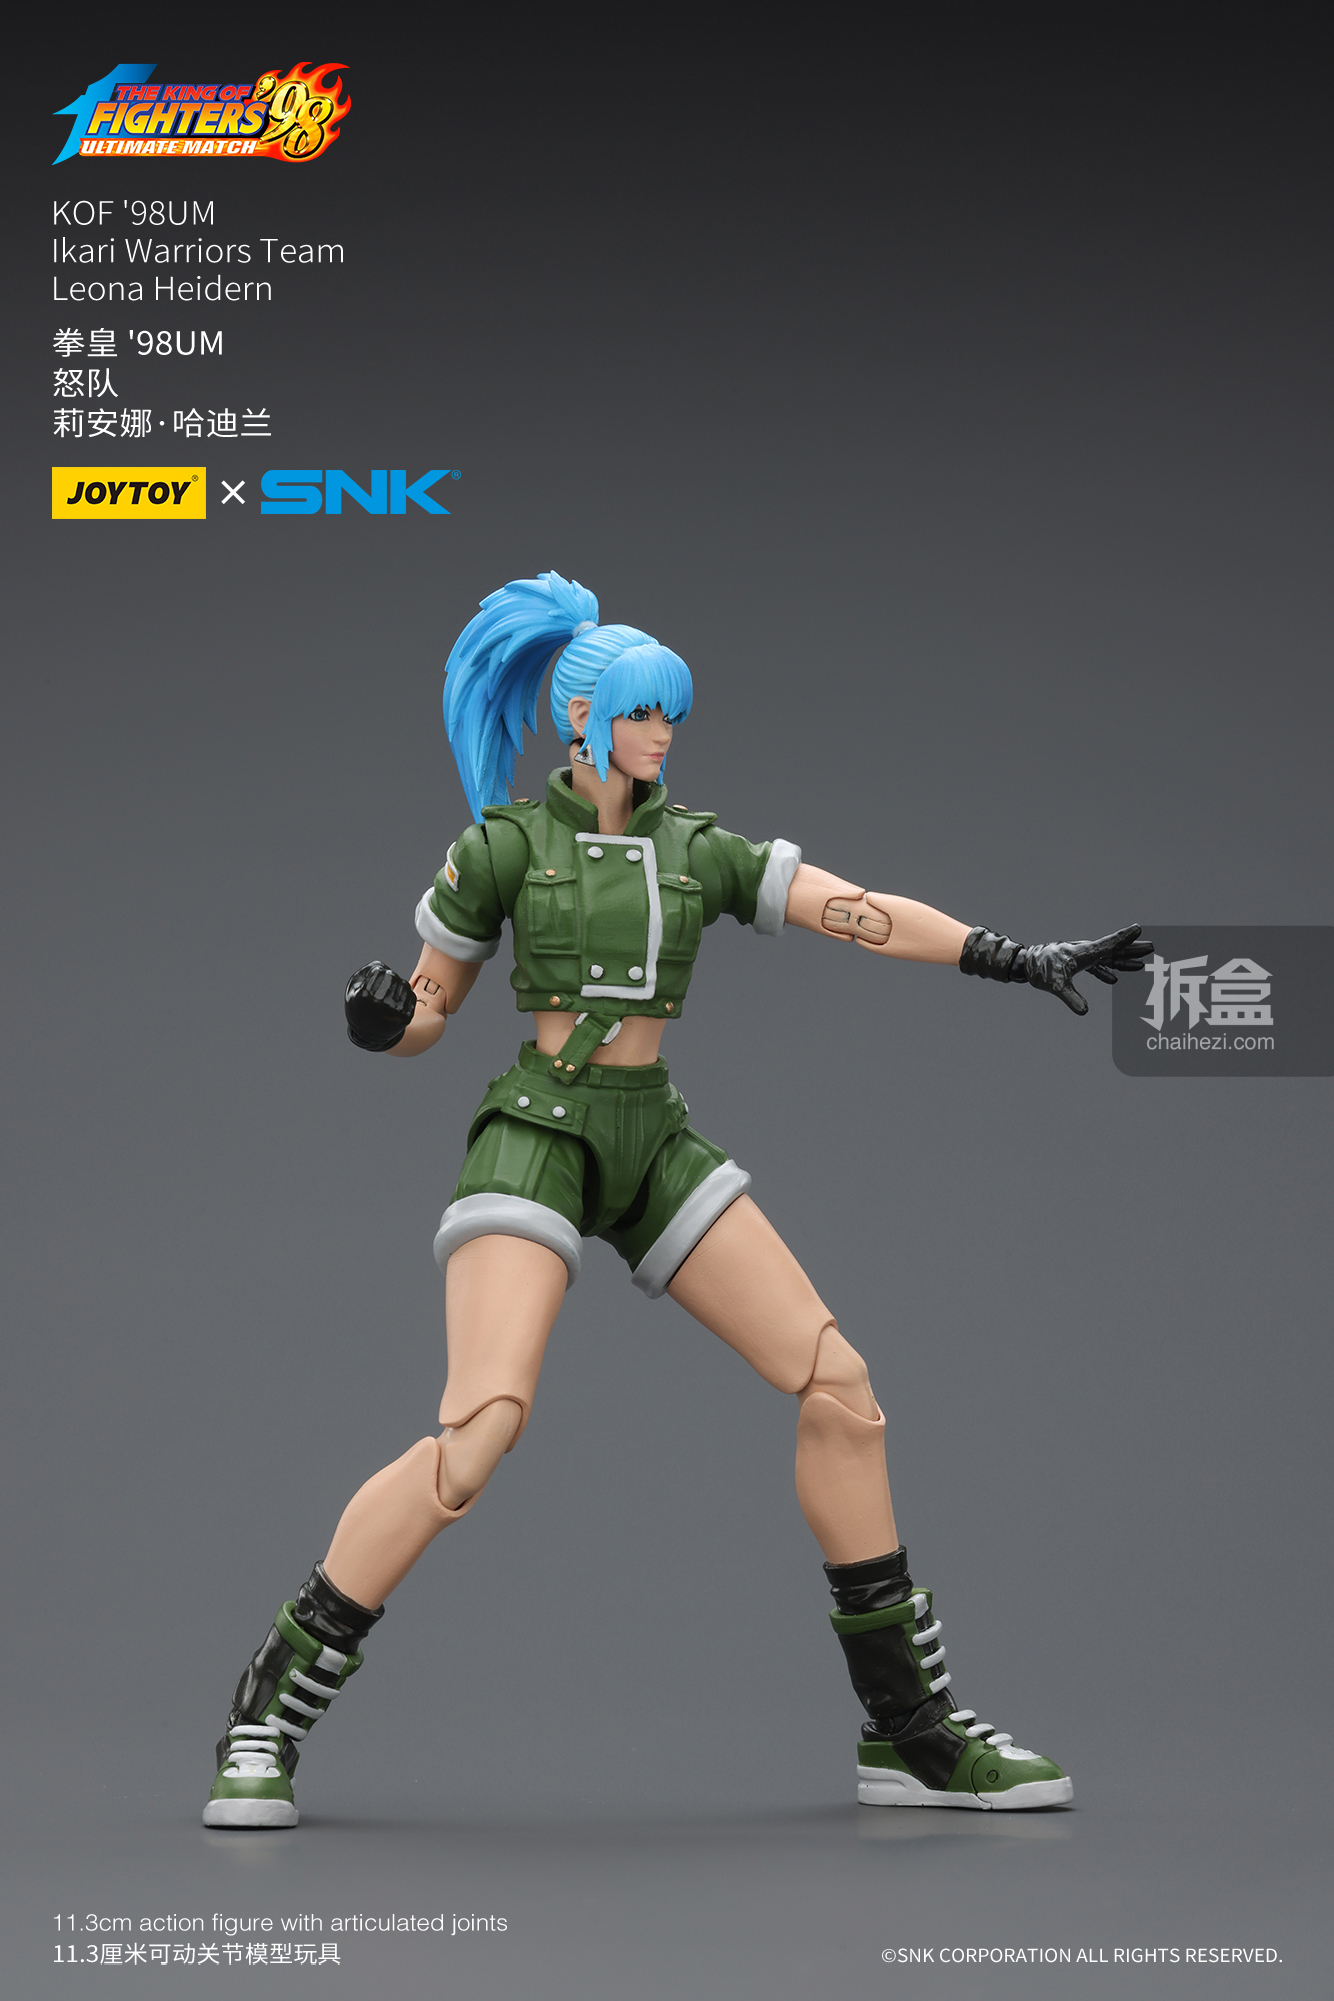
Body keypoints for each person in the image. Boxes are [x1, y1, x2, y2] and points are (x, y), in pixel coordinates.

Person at [204, 571, 1150, 1827]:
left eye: (672, 716)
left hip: (651, 1140)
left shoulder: (697, 848)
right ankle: (267, 1711)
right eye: (643, 713)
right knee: (478, 1431)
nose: (661, 735)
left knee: (838, 1387)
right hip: (536, 1135)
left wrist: (1007, 955)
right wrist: (384, 1021)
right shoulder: (501, 847)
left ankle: (905, 1728)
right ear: (580, 719)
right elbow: (431, 1009)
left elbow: (850, 910)